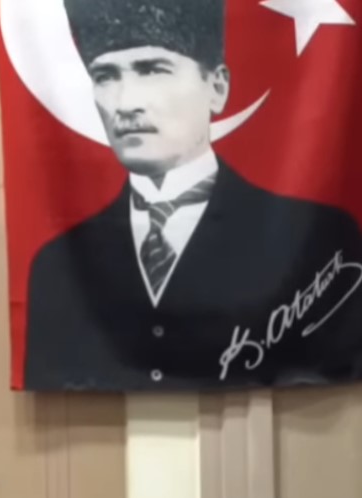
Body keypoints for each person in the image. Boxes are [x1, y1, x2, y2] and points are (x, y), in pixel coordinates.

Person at [24, 0, 362, 391]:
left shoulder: (318, 237)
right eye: (105, 76)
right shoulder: (56, 267)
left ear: (217, 88)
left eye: (153, 70)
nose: (125, 103)